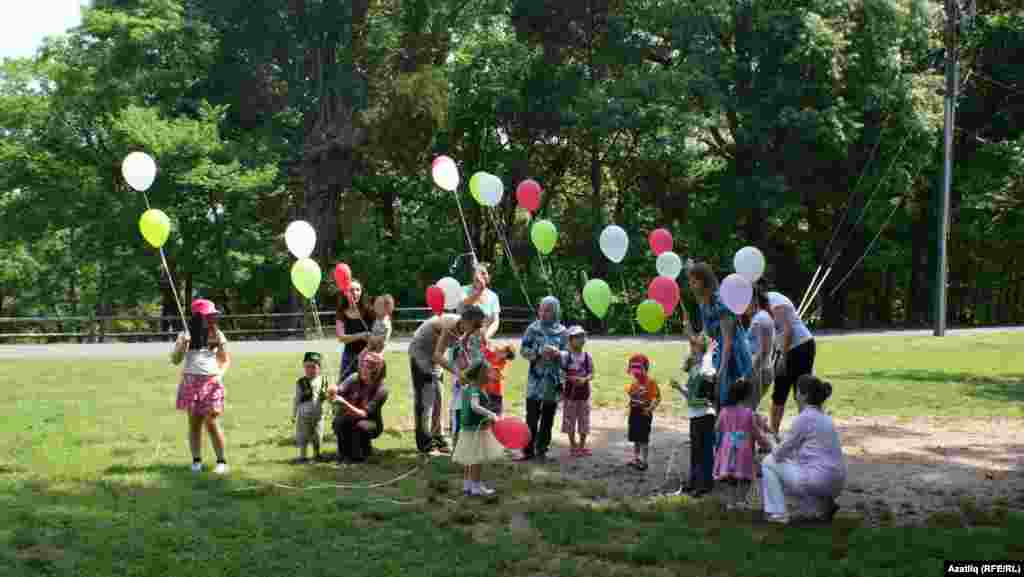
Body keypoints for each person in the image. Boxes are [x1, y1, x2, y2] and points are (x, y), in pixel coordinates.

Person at [761, 375, 846, 524]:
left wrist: (767, 440)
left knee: (768, 462)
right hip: (837, 482)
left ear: (804, 395)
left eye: (798, 391)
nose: (795, 395)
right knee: (798, 466)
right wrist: (773, 435)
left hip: (817, 480)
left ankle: (778, 514)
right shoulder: (825, 418)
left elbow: (779, 454)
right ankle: (822, 506)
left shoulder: (804, 418)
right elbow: (793, 448)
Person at [408, 305, 487, 455]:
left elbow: (462, 351)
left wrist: (470, 368)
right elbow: (437, 355)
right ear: (466, 320)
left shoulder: (465, 329)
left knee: (439, 397)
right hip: (421, 353)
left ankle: (438, 437)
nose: (478, 328)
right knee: (426, 399)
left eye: (479, 325)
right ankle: (425, 442)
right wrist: (458, 372)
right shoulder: (450, 325)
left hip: (435, 356)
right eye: (476, 325)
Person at [171, 299, 231, 474]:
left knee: (211, 421)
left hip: (211, 382)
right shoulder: (185, 335)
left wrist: (219, 375)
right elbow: (175, 360)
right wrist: (183, 345)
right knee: (194, 423)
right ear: (198, 317)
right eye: (209, 315)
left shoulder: (217, 335)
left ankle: (221, 462)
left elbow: (225, 360)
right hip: (191, 382)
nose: (212, 318)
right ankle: (196, 461)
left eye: (213, 315)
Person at [687, 262, 753, 411]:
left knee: (732, 401)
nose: (691, 286)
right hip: (719, 353)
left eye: (694, 281)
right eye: (690, 282)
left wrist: (721, 371)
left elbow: (728, 341)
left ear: (705, 281)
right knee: (718, 401)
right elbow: (706, 336)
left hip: (733, 356)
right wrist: (692, 337)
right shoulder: (703, 304)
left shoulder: (721, 302)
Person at [519, 296, 568, 461]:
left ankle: (542, 449)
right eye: (541, 309)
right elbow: (523, 349)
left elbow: (569, 355)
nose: (543, 313)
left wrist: (558, 353)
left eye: (547, 310)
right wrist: (538, 353)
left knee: (548, 418)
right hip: (535, 382)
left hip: (552, 384)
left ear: (555, 312)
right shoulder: (533, 329)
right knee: (531, 417)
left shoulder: (562, 332)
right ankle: (527, 450)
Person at [713, 377, 773, 507]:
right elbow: (755, 432)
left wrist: (729, 433)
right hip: (743, 447)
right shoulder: (748, 413)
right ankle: (741, 500)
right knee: (746, 475)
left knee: (730, 477)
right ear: (746, 396)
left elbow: (717, 428)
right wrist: (766, 444)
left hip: (727, 447)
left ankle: (731, 502)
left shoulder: (724, 411)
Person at [671, 334, 717, 496]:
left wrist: (709, 354)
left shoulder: (707, 366)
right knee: (696, 450)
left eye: (694, 348)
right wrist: (678, 388)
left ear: (702, 351)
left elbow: (707, 373)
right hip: (695, 415)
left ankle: (705, 484)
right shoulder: (693, 370)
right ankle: (694, 481)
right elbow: (690, 396)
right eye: (691, 348)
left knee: (704, 451)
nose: (691, 351)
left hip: (705, 415)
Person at [452, 359, 505, 496]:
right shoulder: (475, 389)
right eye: (487, 373)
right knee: (476, 458)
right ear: (481, 375)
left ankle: (467, 485)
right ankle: (475, 486)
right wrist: (491, 414)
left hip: (468, 428)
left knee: (469, 457)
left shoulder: (468, 387)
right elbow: (474, 406)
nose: (489, 375)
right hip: (476, 428)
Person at [767, 291, 816, 436]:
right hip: (785, 349)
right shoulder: (760, 307)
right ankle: (773, 433)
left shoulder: (774, 300)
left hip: (800, 347)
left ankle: (807, 434)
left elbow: (788, 331)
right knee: (779, 392)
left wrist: (783, 357)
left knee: (801, 392)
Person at [329, 351, 389, 463]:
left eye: (368, 367)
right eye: (363, 365)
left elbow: (363, 414)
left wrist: (344, 404)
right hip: (351, 417)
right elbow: (339, 391)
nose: (363, 369)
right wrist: (332, 392)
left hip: (371, 422)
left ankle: (362, 453)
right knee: (339, 422)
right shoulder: (354, 377)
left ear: (376, 371)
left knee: (360, 426)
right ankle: (343, 454)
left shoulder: (382, 390)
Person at [560, 325, 594, 457]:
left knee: (584, 420)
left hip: (584, 395)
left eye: (582, 336)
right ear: (570, 340)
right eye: (577, 337)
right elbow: (561, 373)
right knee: (570, 420)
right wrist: (571, 378)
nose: (581, 339)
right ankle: (573, 445)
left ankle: (582, 445)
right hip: (570, 395)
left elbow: (592, 373)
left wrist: (585, 379)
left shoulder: (587, 357)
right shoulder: (566, 357)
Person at [625, 354, 661, 471]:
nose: (635, 373)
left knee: (644, 438)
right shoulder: (634, 383)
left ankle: (645, 461)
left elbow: (657, 397)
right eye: (633, 371)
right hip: (634, 412)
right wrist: (632, 397)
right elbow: (632, 395)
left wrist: (650, 408)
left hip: (644, 413)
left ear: (645, 369)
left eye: (638, 370)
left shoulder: (651, 382)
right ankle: (636, 458)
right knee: (635, 437)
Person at [335, 280, 376, 381]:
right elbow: (341, 338)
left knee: (367, 387)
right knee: (343, 388)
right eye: (351, 290)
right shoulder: (341, 312)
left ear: (361, 292)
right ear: (346, 293)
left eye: (358, 290)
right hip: (348, 356)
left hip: (368, 356)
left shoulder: (369, 310)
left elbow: (378, 332)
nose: (355, 293)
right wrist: (361, 335)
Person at [292, 352, 328, 463]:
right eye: (307, 367)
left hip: (318, 414)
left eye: (313, 367)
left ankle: (317, 454)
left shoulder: (323, 380)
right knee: (303, 436)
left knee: (317, 435)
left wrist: (326, 396)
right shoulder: (301, 382)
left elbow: (328, 396)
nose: (310, 370)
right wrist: (294, 414)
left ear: (319, 368)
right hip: (304, 415)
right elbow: (296, 399)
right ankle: (303, 456)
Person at [744, 288, 775, 411]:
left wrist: (749, 374)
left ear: (754, 301)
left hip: (759, 372)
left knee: (747, 410)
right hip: (760, 371)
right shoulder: (760, 317)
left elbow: (763, 350)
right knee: (748, 410)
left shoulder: (760, 319)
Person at [459, 262, 501, 343]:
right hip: (461, 341)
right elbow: (465, 303)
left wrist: (486, 336)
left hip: (481, 342)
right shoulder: (462, 290)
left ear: (489, 277)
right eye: (478, 273)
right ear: (473, 276)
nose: (480, 276)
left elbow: (496, 321)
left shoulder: (493, 296)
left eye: (484, 273)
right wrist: (479, 291)